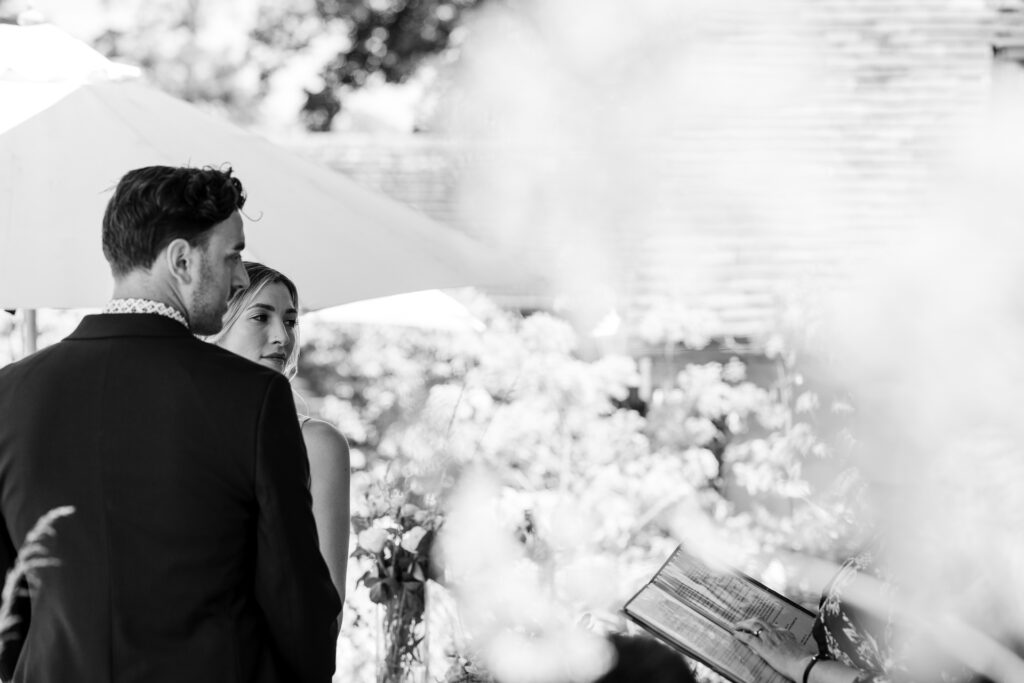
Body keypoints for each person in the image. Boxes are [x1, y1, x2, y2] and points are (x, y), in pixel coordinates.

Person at [0, 165, 340, 682]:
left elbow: (7, 603)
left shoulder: (9, 394)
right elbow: (295, 599)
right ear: (182, 260)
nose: (242, 276)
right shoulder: (253, 397)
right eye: (233, 254)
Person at [208, 261, 351, 605]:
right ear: (215, 327)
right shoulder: (177, 435)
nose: (282, 337)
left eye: (289, 321)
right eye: (261, 317)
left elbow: (329, 603)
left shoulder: (317, 445)